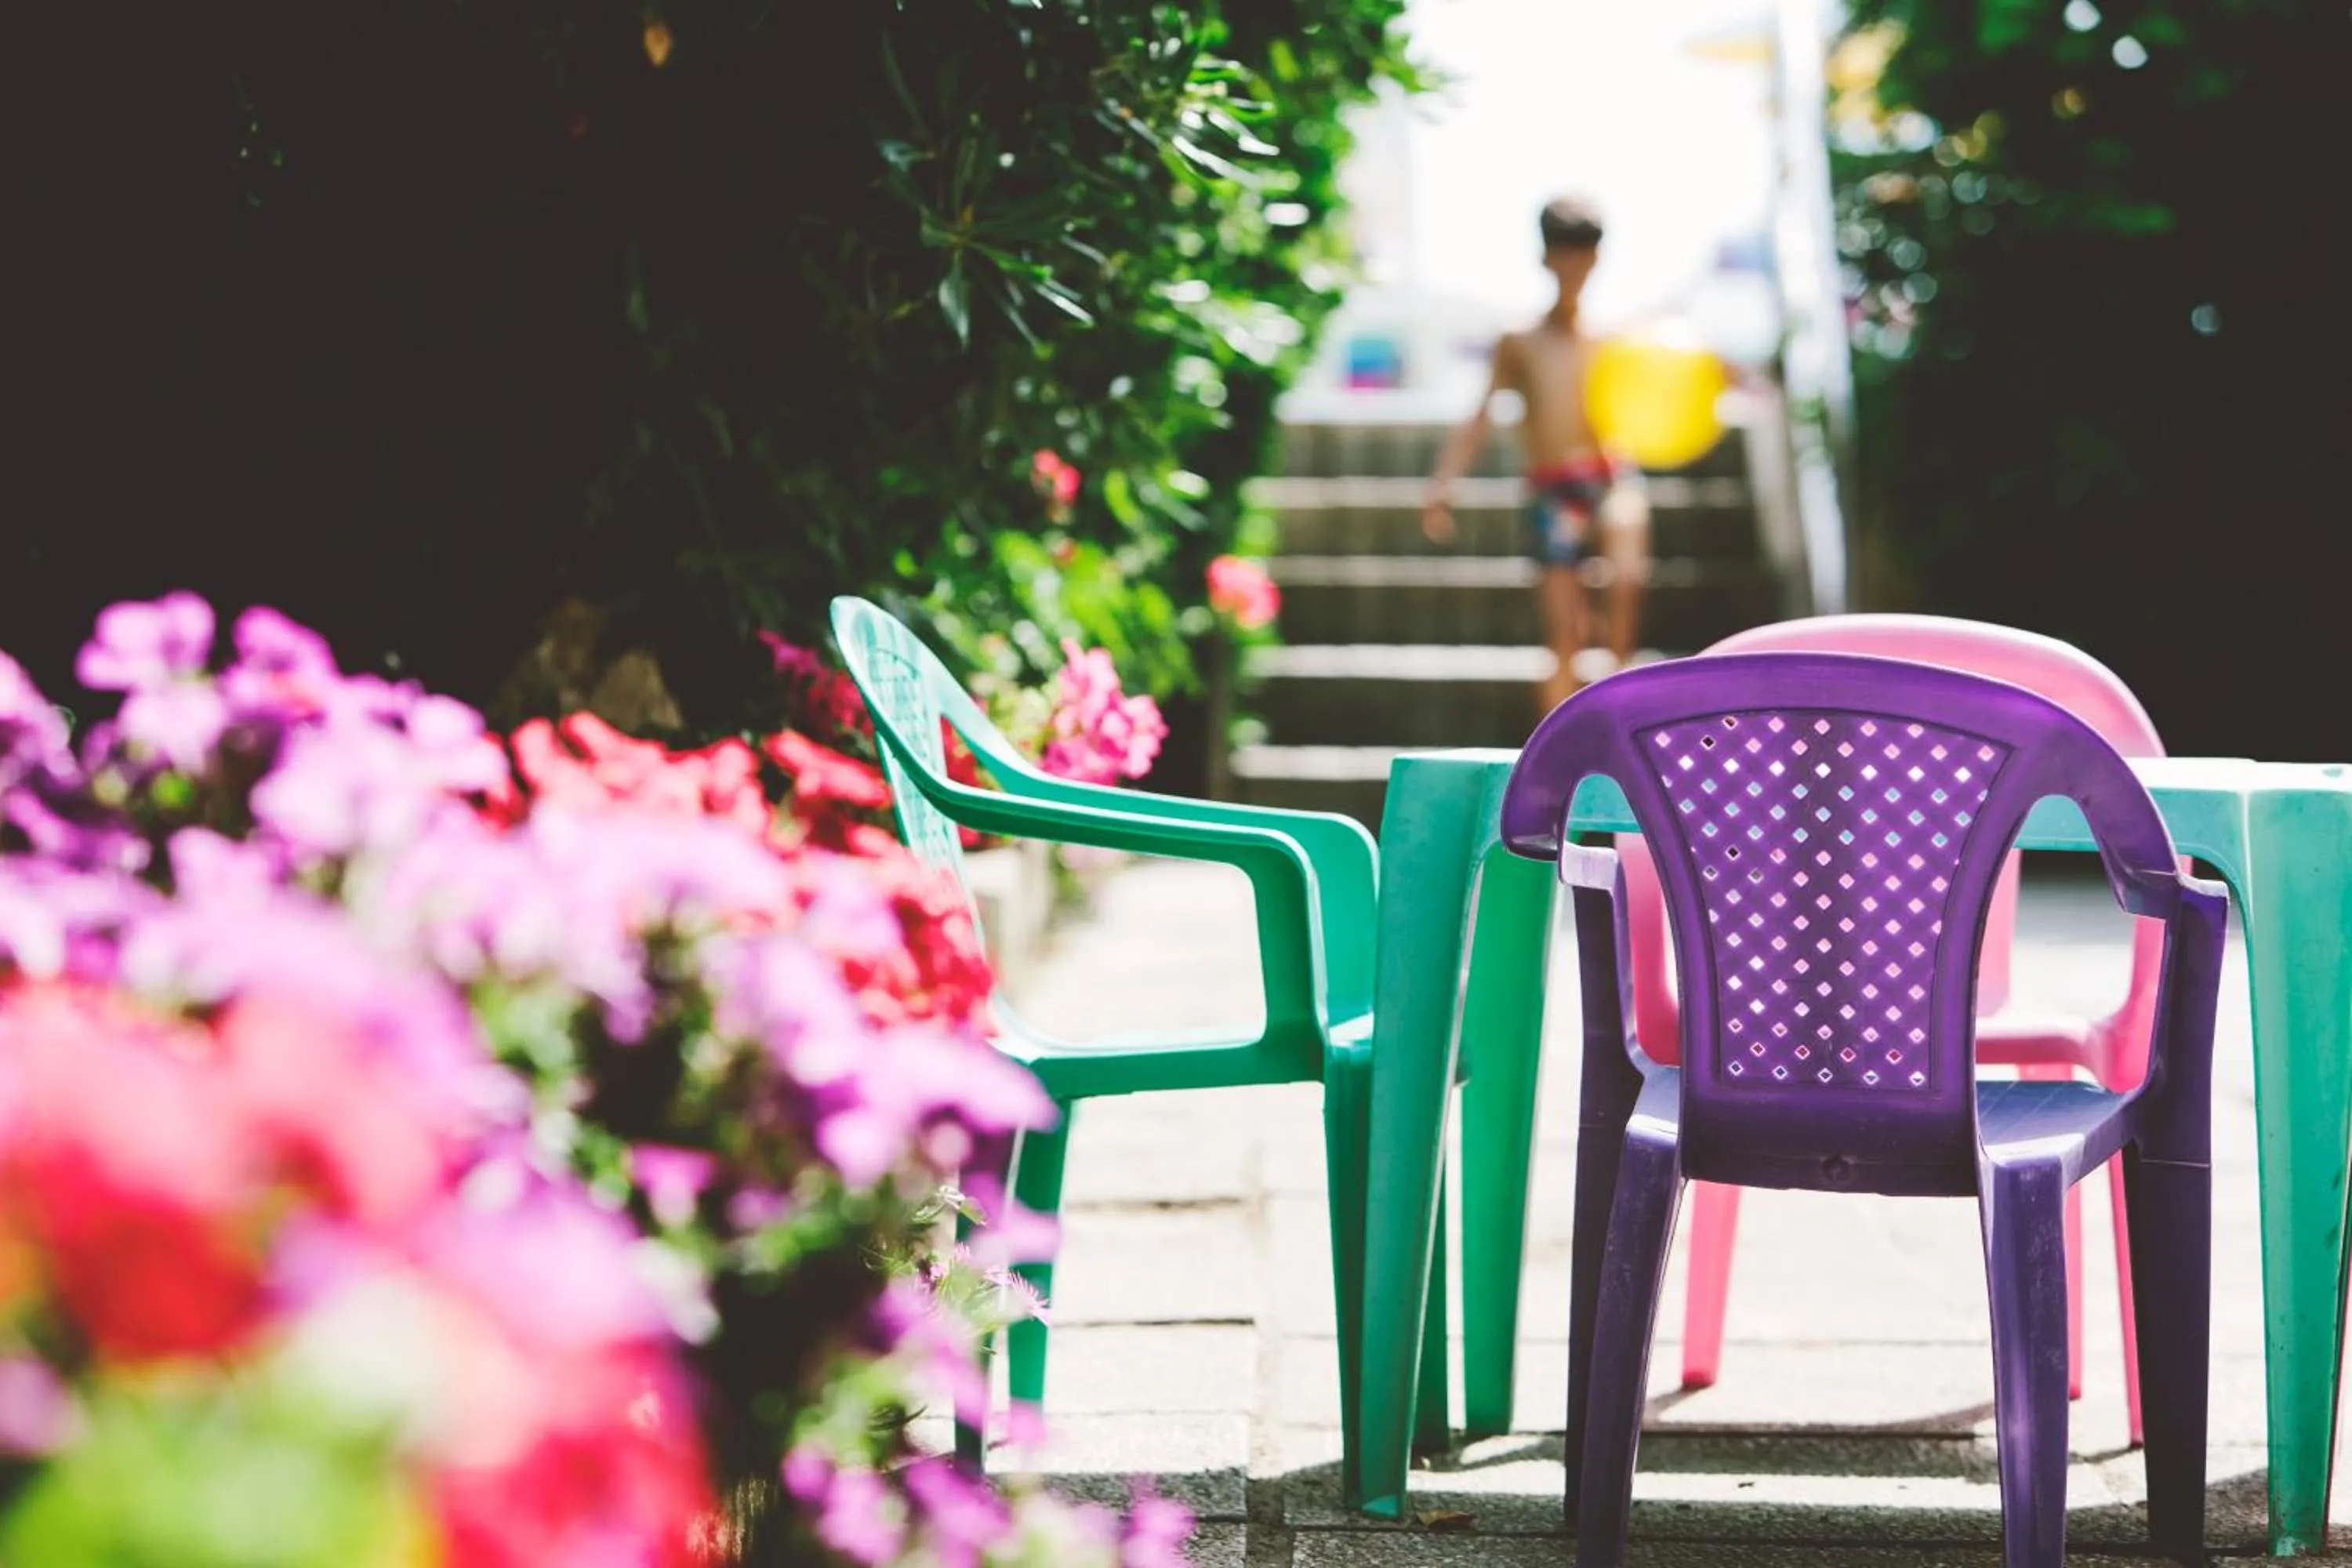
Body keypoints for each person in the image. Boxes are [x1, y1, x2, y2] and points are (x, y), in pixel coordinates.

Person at [1423, 195, 1650, 714]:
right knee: (1565, 638)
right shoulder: (1520, 340)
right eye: (1564, 254)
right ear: (1546, 258)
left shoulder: (1615, 337)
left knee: (1627, 577)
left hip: (1610, 477)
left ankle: (1621, 716)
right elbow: (1482, 413)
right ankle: (1557, 752)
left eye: (1584, 254)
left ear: (1597, 258)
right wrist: (1444, 482)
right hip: (1553, 490)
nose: (1574, 266)